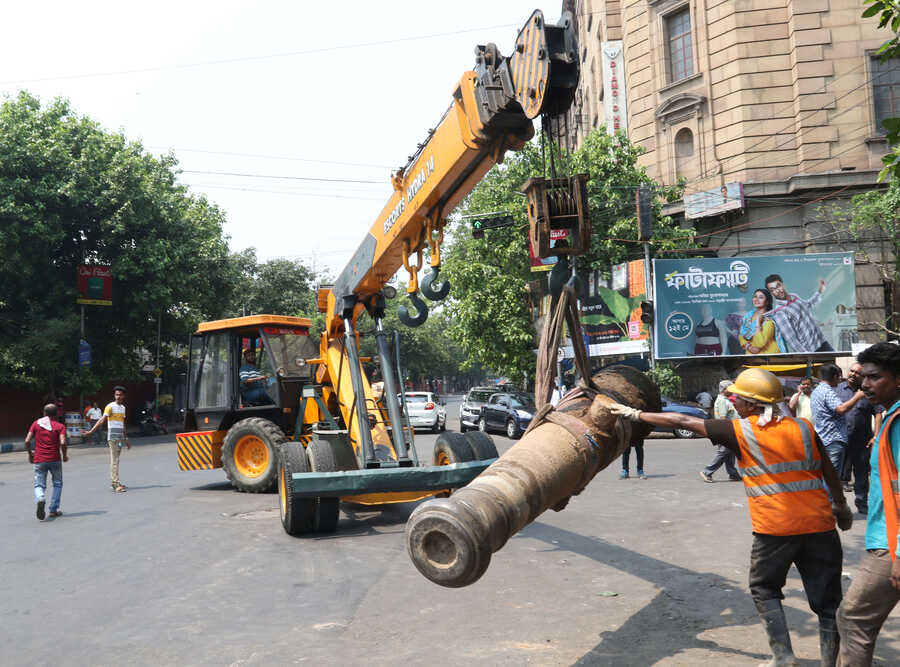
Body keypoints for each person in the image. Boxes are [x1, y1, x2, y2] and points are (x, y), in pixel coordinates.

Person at [609, 367, 852, 667]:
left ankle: (784, 657)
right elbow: (828, 469)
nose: (733, 400)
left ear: (751, 404)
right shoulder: (803, 427)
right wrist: (840, 507)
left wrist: (635, 415)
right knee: (828, 602)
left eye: (738, 397)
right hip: (820, 525)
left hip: (774, 529)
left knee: (764, 588)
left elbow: (682, 420)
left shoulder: (740, 431)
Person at [836, 342, 900, 666]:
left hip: (890, 545)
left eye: (874, 377)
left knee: (853, 619)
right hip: (887, 539)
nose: (864, 384)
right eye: (864, 377)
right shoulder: (889, 416)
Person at [835, 362, 883, 514]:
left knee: (861, 474)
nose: (852, 374)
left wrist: (876, 435)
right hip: (840, 439)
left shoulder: (868, 392)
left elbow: (878, 413)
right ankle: (836, 505)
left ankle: (862, 503)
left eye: (857, 373)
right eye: (851, 371)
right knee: (835, 474)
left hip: (861, 441)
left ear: (862, 377)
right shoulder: (838, 390)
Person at [811, 364, 865, 486]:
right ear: (835, 376)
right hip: (833, 439)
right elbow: (841, 409)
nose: (841, 379)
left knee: (826, 476)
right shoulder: (827, 391)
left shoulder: (817, 390)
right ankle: (830, 503)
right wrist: (857, 397)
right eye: (839, 376)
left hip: (824, 439)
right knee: (832, 478)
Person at [764, 274, 832, 353]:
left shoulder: (794, 296)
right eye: (773, 290)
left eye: (778, 286)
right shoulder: (779, 313)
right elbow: (792, 340)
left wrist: (820, 291)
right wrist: (807, 355)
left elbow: (807, 305)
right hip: (812, 351)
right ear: (771, 293)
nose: (777, 291)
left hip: (821, 341)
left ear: (783, 284)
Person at [24, 403, 68, 520]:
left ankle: (40, 498)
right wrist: (65, 455)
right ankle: (53, 510)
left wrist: (30, 454)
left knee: (39, 484)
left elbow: (27, 441)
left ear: (44, 413)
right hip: (55, 459)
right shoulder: (60, 426)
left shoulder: (36, 424)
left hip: (39, 459)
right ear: (57, 414)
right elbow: (63, 442)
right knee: (57, 484)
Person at [85, 386, 130, 492]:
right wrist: (91, 431)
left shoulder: (123, 408)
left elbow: (122, 424)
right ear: (114, 395)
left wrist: (126, 438)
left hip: (119, 438)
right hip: (113, 437)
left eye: (120, 395)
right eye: (116, 394)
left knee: (117, 460)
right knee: (114, 460)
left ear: (123, 396)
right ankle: (115, 484)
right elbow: (102, 420)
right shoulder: (110, 406)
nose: (118, 396)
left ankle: (116, 482)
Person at [700, 380, 742, 482]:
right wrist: (727, 433)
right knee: (724, 452)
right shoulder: (723, 401)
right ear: (724, 389)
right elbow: (723, 419)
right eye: (730, 388)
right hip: (726, 430)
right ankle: (707, 471)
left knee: (729, 452)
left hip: (730, 430)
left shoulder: (726, 399)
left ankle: (733, 474)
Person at [739, 288, 785, 354]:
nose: (756, 299)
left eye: (761, 297)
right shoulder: (748, 316)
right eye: (755, 296)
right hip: (751, 357)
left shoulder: (769, 320)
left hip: (768, 358)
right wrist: (748, 347)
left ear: (767, 302)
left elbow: (760, 344)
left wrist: (758, 323)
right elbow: (741, 335)